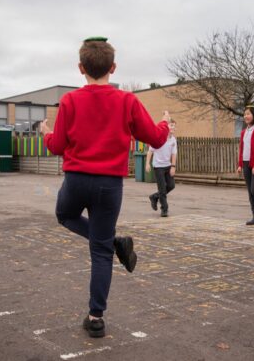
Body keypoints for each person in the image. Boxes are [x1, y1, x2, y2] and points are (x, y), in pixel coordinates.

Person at [40, 36, 170, 338]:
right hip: (109, 184)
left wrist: (47, 133)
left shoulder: (70, 101)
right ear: (113, 67)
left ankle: (111, 242)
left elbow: (58, 146)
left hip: (76, 179)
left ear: (80, 67)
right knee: (99, 252)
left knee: (65, 216)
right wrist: (164, 122)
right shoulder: (127, 100)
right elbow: (156, 138)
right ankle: (96, 316)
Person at [147, 119, 177, 217]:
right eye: (171, 125)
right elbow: (150, 151)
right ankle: (164, 209)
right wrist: (147, 164)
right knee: (162, 189)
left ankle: (154, 196)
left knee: (171, 185)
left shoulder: (173, 140)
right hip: (158, 166)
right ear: (166, 127)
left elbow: (174, 154)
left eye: (174, 126)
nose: (173, 127)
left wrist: (173, 166)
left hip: (167, 166)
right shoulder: (159, 138)